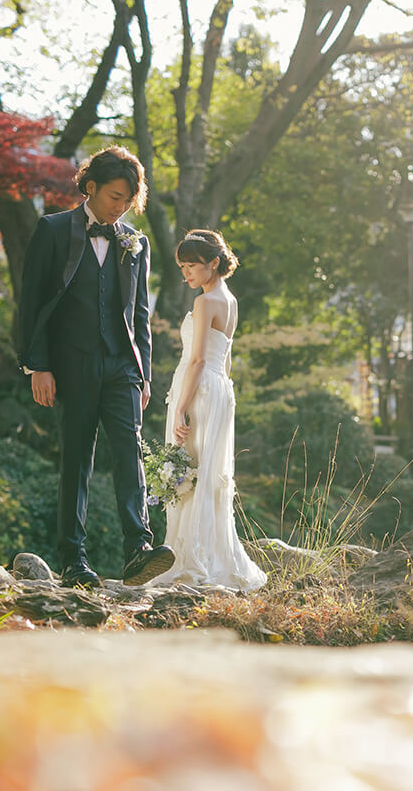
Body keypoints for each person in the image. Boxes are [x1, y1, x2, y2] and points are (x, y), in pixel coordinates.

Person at [18, 145, 174, 589]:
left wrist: (144, 373)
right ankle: (73, 559)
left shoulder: (135, 243)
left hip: (122, 364)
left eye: (128, 200)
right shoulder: (52, 231)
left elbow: (139, 313)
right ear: (90, 188)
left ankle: (138, 548)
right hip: (72, 363)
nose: (121, 207)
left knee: (129, 447)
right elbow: (31, 304)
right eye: (114, 196)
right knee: (78, 458)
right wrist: (38, 365)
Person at [150, 229, 267, 591]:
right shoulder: (229, 299)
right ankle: (212, 556)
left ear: (213, 263)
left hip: (199, 390)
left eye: (191, 266)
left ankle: (190, 559)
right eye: (182, 266)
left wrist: (182, 407)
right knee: (205, 472)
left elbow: (199, 358)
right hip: (219, 390)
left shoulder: (205, 303)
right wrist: (223, 397)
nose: (185, 273)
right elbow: (224, 359)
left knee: (189, 472)